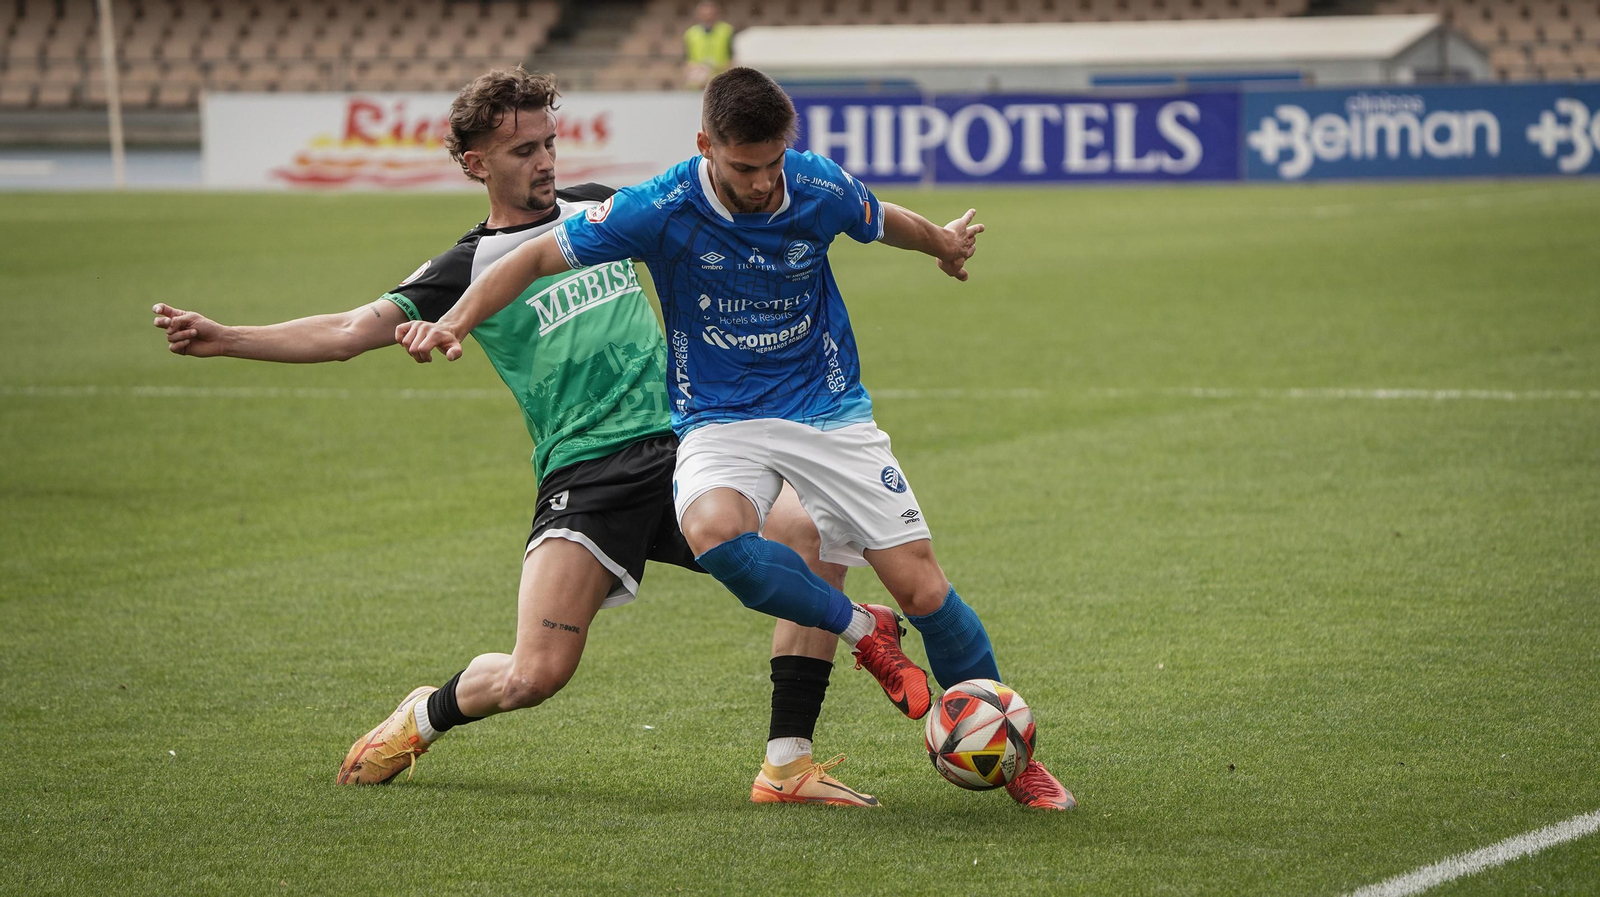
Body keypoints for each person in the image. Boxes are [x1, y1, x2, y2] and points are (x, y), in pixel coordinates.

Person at [150, 67, 923, 807]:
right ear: (475, 163)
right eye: (524, 150)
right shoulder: (468, 264)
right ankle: (424, 714)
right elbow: (348, 330)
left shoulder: (602, 207)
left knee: (811, 534)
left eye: (549, 143)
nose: (546, 161)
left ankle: (787, 763)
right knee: (535, 674)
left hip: (685, 448)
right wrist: (226, 338)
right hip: (586, 476)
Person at [396, 67, 1076, 810]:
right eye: (744, 167)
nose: (761, 182)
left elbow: (881, 218)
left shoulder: (815, 184)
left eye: (772, 163)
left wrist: (941, 242)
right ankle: (862, 631)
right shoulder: (662, 205)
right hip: (720, 418)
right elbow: (530, 257)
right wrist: (454, 321)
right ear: (706, 147)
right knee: (713, 530)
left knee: (922, 588)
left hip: (827, 409)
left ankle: (1014, 758)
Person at [682, 1, 733, 89]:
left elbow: (733, 60)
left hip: (720, 81)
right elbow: (686, 62)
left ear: (716, 13)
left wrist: (714, 69)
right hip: (697, 81)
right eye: (704, 13)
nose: (708, 16)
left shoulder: (727, 31)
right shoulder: (691, 33)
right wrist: (697, 69)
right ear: (699, 14)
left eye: (710, 13)